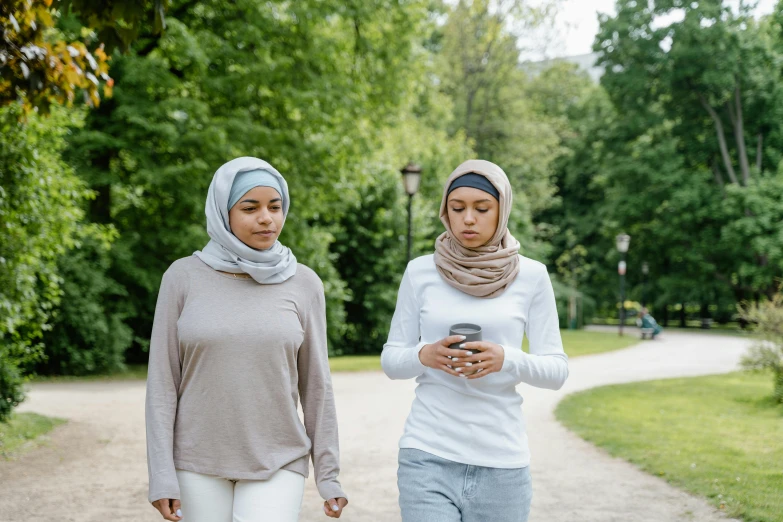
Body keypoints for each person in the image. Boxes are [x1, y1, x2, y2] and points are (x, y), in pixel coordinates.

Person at [145, 157, 348, 522]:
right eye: (250, 207)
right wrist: (161, 475)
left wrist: (328, 475)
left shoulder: (304, 284)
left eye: (275, 206)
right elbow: (162, 385)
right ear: (223, 213)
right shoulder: (182, 277)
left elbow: (317, 386)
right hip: (196, 459)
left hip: (279, 457)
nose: (267, 218)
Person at [381, 159, 569, 522]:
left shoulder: (532, 276)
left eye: (482, 209)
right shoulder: (420, 271)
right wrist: (426, 354)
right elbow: (391, 360)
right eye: (457, 208)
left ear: (501, 211)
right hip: (427, 453)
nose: (468, 218)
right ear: (445, 212)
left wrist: (506, 358)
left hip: (502, 463)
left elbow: (557, 371)